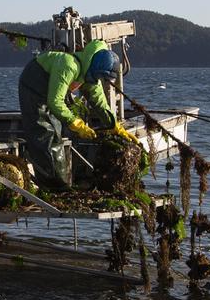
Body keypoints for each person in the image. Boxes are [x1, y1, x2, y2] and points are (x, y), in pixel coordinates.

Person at [18, 39, 136, 189]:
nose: (99, 81)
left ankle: (59, 183)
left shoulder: (89, 74)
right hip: (33, 84)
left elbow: (99, 103)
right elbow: (55, 102)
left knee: (56, 131)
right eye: (99, 77)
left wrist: (114, 125)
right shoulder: (69, 65)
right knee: (43, 133)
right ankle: (54, 187)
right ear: (95, 69)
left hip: (51, 91)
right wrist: (76, 123)